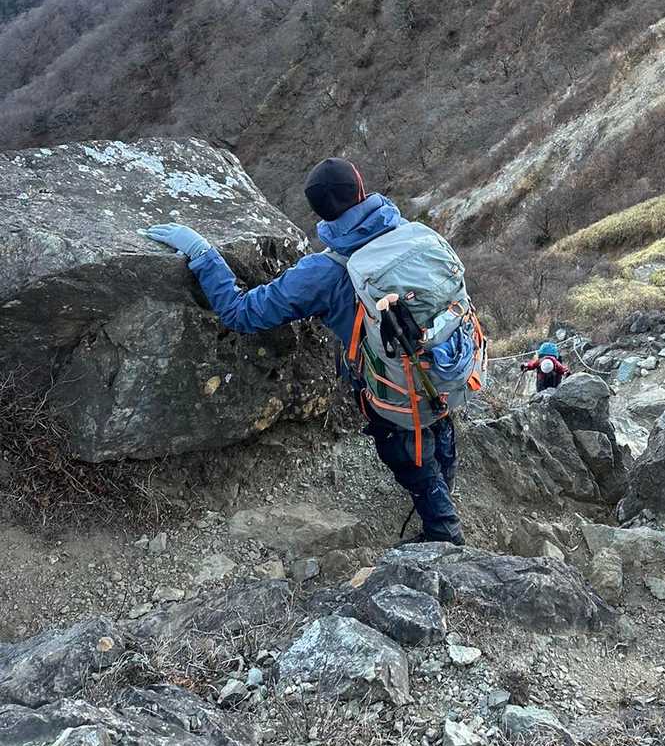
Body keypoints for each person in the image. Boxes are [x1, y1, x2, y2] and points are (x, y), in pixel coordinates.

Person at [147, 157, 465, 544]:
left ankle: (443, 533)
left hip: (392, 386)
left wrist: (202, 254)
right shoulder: (409, 233)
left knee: (405, 449)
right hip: (445, 361)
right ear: (361, 190)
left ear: (319, 212)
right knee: (436, 417)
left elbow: (241, 313)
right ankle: (445, 488)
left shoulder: (322, 273)